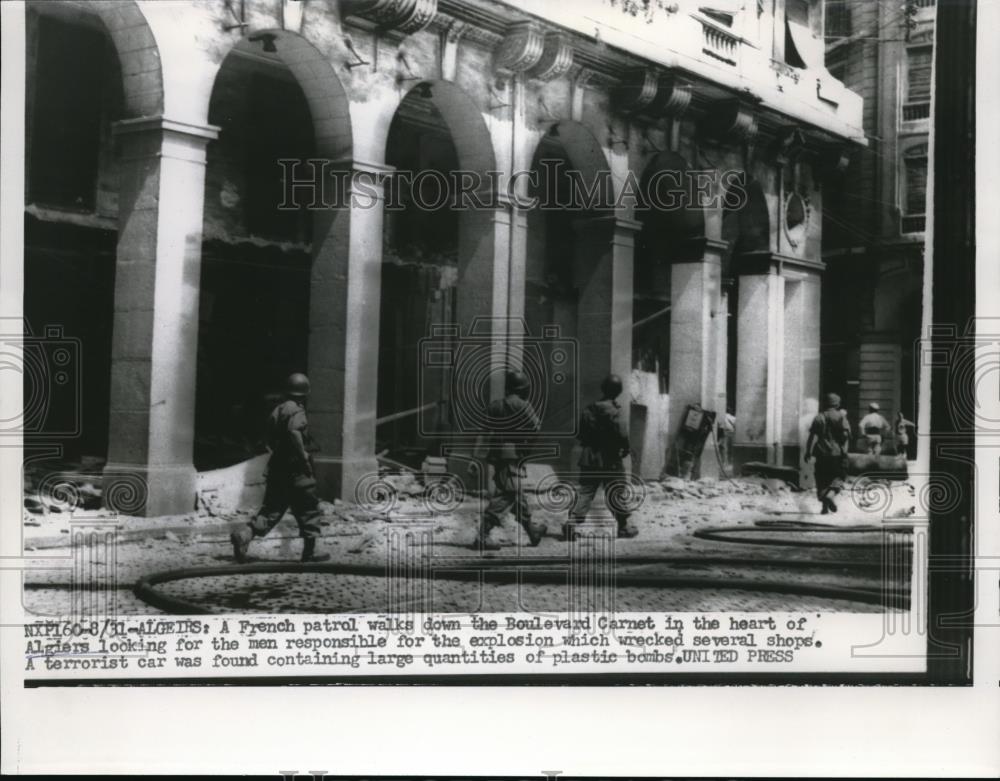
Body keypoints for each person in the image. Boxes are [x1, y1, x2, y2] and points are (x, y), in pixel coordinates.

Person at [231, 372, 330, 563]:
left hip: (278, 468)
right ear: (303, 393)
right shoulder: (297, 410)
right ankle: (310, 553)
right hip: (296, 470)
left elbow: (268, 439)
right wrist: (303, 458)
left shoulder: (277, 410)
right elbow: (294, 432)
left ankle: (244, 535)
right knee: (308, 509)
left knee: (271, 509)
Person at [473, 370, 546, 551]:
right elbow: (536, 427)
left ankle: (531, 530)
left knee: (516, 494)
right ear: (521, 389)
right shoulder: (523, 405)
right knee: (507, 495)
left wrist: (476, 458)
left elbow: (484, 433)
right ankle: (482, 536)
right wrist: (526, 447)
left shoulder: (494, 406)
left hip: (497, 455)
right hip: (513, 456)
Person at [563, 374, 639, 540]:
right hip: (610, 458)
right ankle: (624, 526)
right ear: (618, 391)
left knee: (586, 492)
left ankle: (572, 521)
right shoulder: (615, 411)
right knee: (616, 491)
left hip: (590, 457)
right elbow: (622, 434)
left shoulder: (589, 409)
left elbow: (580, 434)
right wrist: (625, 448)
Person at [804, 392, 851, 514]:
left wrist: (808, 452)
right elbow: (846, 436)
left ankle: (824, 508)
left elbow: (811, 436)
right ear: (837, 404)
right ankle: (831, 494)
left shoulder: (819, 417)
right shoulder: (841, 417)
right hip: (836, 452)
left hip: (820, 451)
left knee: (821, 477)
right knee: (839, 476)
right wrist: (844, 452)